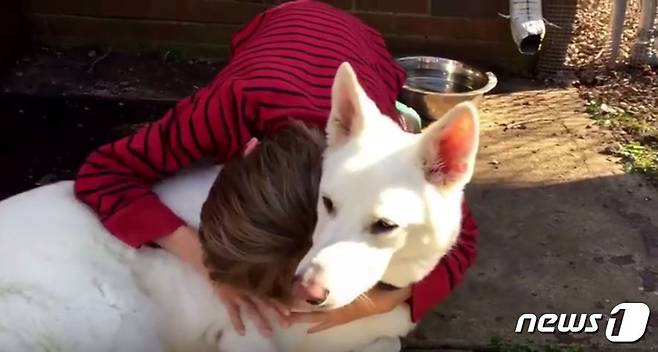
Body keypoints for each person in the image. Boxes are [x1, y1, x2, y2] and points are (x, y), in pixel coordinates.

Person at [73, 0, 479, 338]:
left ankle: (401, 113)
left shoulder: (388, 162)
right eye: (330, 208)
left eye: (381, 223)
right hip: (280, 24)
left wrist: (387, 300)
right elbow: (103, 172)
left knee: (392, 117)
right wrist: (208, 266)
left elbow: (463, 239)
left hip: (364, 49)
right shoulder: (225, 108)